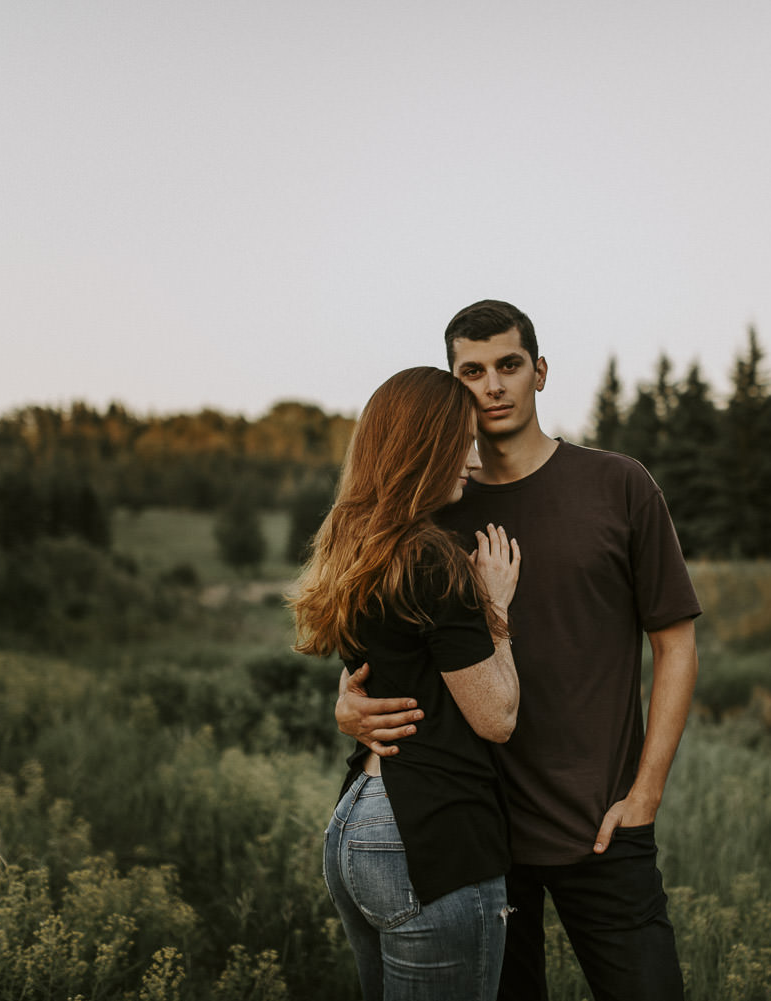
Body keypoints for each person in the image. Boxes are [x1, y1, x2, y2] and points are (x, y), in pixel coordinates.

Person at [336, 301, 702, 1000]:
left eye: (508, 365)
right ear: (452, 385)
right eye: (471, 372)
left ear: (539, 371)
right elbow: (381, 642)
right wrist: (347, 707)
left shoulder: (618, 484)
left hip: (603, 823)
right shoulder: (437, 505)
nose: (493, 386)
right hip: (481, 837)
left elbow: (676, 642)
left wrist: (646, 791)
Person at [292, 366, 524, 1000]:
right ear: (424, 447)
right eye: (462, 441)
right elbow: (496, 717)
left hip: (356, 823)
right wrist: (496, 611)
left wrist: (346, 709)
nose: (473, 460)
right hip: (426, 834)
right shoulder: (433, 558)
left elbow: (379, 671)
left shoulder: (355, 542)